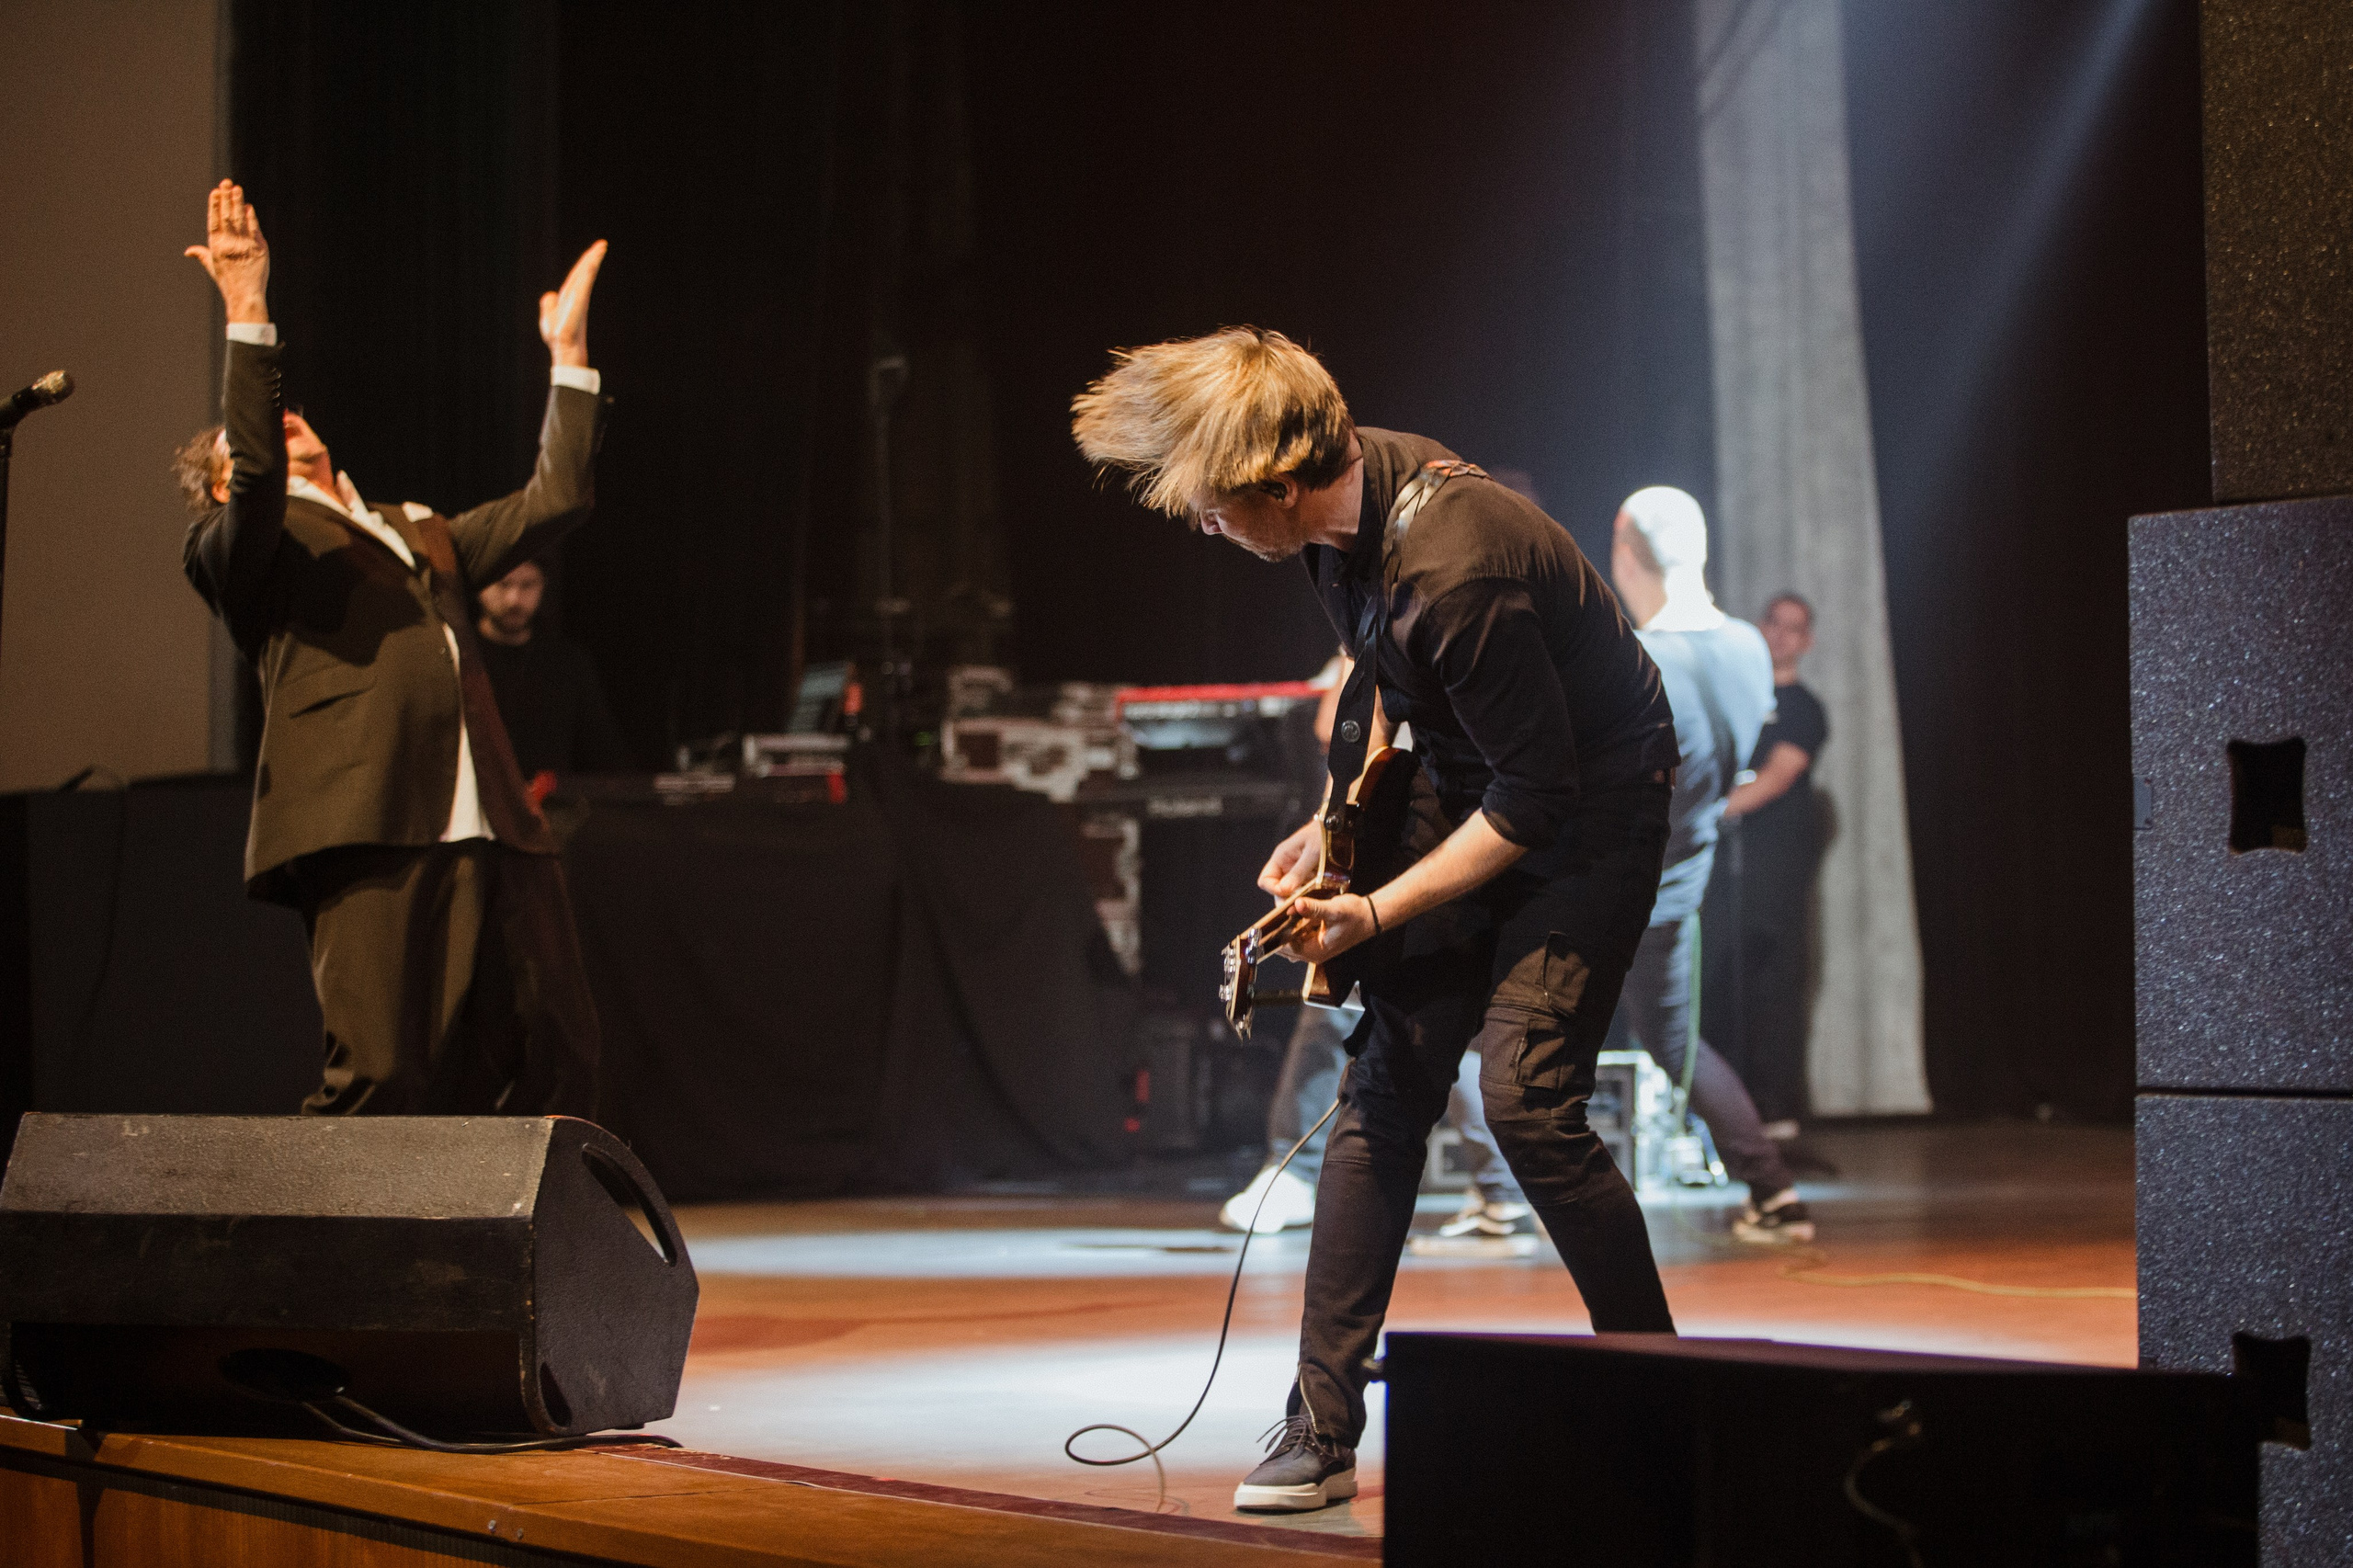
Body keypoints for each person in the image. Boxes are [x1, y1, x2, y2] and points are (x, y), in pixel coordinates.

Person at [1074, 327, 1682, 1514]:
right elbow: (1388, 681)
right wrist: (1331, 822)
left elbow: (1537, 800)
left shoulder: (1460, 564)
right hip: (1481, 780)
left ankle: (1665, 1392)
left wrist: (1373, 909)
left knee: (1527, 1100)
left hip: (1593, 805)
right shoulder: (1341, 519)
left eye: (1213, 506)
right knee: (1383, 1088)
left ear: (1278, 484)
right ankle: (1320, 1425)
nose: (1202, 524)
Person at [176, 178, 610, 1119]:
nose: (281, 426)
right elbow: (258, 477)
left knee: (555, 1055)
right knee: (381, 1072)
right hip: (365, 814)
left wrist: (569, 359)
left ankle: (517, 1218)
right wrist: (248, 304)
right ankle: (337, 1224)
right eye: (243, 446)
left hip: (493, 819)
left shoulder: (416, 528)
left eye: (292, 417)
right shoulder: (242, 549)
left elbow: (555, 501)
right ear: (220, 488)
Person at [1606, 489, 1813, 1245]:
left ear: (1626, 553)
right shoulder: (1747, 648)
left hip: (1601, 886)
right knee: (1675, 1045)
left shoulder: (1634, 660)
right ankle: (1774, 1191)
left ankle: (1505, 1200)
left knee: (1499, 1028)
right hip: (1677, 886)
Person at [1710, 592, 1828, 1137]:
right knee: (1717, 979)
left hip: (1774, 869)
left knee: (1771, 981)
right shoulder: (1735, 697)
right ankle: (1719, 1108)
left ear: (1806, 641)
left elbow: (1777, 776)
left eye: (1793, 628)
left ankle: (1775, 1107)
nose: (1780, 636)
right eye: (1773, 624)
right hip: (1718, 870)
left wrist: (1701, 811)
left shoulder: (1802, 708)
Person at [474, 559, 633, 778]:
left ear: (543, 586)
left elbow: (603, 750)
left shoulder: (567, 662)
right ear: (481, 587)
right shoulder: (458, 657)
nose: (514, 599)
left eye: (527, 585)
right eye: (503, 584)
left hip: (548, 798)